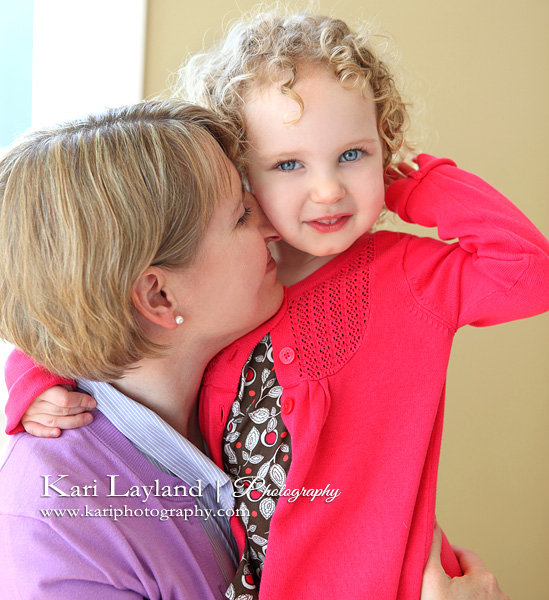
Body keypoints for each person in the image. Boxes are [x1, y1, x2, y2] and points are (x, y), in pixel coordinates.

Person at [4, 10, 541, 599]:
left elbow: (527, 270)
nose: (326, 190)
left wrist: (405, 175)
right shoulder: (67, 515)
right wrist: (34, 379)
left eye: (353, 155)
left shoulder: (388, 277)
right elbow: (84, 317)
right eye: (284, 168)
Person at [0, 99, 284, 598]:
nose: (273, 223)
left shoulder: (260, 377)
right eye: (241, 216)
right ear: (159, 296)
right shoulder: (59, 528)